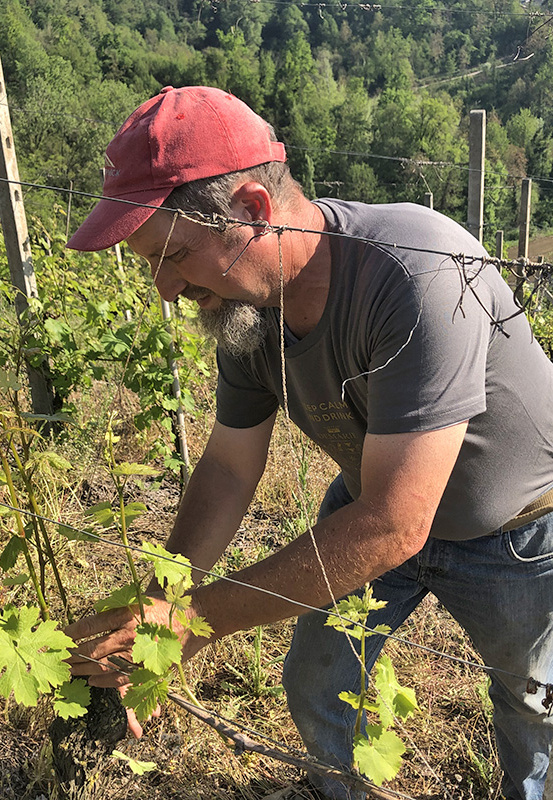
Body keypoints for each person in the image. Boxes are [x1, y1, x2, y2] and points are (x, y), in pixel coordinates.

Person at [66, 85, 553, 800]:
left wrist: (194, 625)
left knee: (530, 712)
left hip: (517, 535)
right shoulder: (245, 307)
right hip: (368, 510)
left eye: (173, 255)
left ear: (252, 212)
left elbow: (396, 522)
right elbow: (231, 466)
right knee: (318, 676)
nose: (164, 289)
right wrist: (157, 610)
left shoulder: (416, 270)